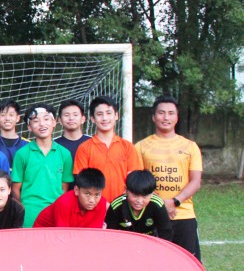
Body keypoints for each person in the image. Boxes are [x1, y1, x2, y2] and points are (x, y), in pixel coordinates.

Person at [135, 95, 204, 260]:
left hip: (184, 215)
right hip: (152, 215)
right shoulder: (141, 147)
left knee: (188, 264)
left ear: (177, 117)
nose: (166, 117)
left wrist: (175, 202)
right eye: (161, 113)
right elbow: (137, 183)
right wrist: (159, 204)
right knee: (153, 264)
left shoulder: (190, 146)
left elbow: (195, 181)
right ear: (153, 117)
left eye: (171, 113)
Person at [11, 104, 74, 227]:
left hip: (56, 213)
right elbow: (16, 188)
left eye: (46, 119)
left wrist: (58, 207)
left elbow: (64, 187)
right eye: (36, 121)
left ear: (54, 122)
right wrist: (24, 209)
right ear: (29, 127)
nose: (42, 124)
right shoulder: (22, 154)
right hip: (29, 214)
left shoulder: (65, 154)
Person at [73, 95, 143, 203]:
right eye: (99, 114)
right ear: (93, 119)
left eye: (109, 113)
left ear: (116, 115)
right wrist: (101, 203)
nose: (105, 118)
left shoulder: (128, 146)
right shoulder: (84, 148)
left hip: (123, 206)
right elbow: (82, 182)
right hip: (94, 206)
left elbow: (134, 179)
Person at [105, 170, 174, 240]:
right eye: (135, 195)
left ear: (152, 193)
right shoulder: (116, 206)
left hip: (150, 243)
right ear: (126, 190)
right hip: (123, 243)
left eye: (144, 196)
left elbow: (165, 233)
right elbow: (109, 234)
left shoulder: (157, 205)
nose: (139, 201)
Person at [33, 168, 107, 228]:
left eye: (97, 195)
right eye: (87, 194)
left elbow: (93, 234)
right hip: (43, 235)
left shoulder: (102, 203)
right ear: (76, 190)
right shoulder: (64, 203)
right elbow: (62, 236)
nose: (92, 200)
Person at [0, 99, 29, 169]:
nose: (7, 118)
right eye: (3, 115)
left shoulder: (28, 145)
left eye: (11, 115)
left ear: (17, 118)